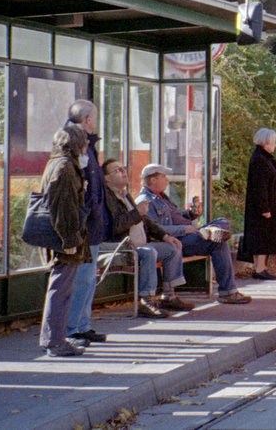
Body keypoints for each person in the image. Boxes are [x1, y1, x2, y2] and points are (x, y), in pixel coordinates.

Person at [135, 163, 252, 305]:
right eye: (163, 177)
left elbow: (176, 217)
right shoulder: (145, 201)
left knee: (223, 222)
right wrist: (183, 230)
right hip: (177, 240)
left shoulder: (162, 197)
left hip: (189, 235)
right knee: (218, 242)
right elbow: (154, 229)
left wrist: (190, 214)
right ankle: (228, 292)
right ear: (152, 180)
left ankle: (209, 232)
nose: (167, 180)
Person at [101, 158, 192, 316]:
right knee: (149, 252)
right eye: (117, 170)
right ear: (107, 178)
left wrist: (165, 236)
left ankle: (169, 296)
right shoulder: (105, 199)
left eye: (123, 168)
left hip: (138, 244)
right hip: (120, 247)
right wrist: (137, 213)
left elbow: (146, 221)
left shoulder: (125, 194)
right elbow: (114, 227)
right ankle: (147, 301)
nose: (123, 172)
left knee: (173, 248)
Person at [38, 124, 90, 358]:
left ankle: (55, 339)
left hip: (61, 236)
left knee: (61, 288)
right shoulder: (65, 167)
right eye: (85, 142)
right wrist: (69, 239)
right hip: (64, 238)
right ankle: (55, 341)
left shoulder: (59, 163)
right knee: (61, 289)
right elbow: (63, 206)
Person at [63, 99, 108, 347]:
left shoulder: (87, 144)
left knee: (88, 278)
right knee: (81, 278)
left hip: (91, 221)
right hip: (83, 223)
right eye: (95, 117)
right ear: (88, 119)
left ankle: (82, 324)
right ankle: (73, 328)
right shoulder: (75, 142)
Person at [238, 128, 276, 280]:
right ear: (266, 143)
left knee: (261, 237)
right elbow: (260, 187)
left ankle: (259, 267)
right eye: (273, 142)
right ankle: (260, 268)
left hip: (262, 206)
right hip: (262, 207)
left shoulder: (262, 157)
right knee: (263, 237)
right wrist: (265, 208)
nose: (275, 145)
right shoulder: (260, 160)